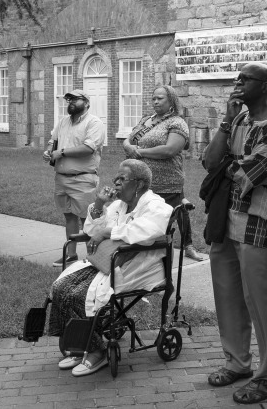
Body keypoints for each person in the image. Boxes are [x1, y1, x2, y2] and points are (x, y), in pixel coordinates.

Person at [203, 62, 267, 404]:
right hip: (226, 222)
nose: (237, 83)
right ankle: (237, 362)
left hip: (260, 225)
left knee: (260, 303)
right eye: (237, 78)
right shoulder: (240, 121)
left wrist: (226, 166)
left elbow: (250, 172)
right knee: (227, 297)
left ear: (266, 85)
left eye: (245, 79)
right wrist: (226, 124)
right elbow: (209, 161)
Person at [49, 159, 172, 376]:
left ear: (140, 184)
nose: (115, 182)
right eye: (116, 177)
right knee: (63, 287)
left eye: (122, 179)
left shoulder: (156, 205)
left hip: (137, 265)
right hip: (106, 261)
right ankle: (80, 346)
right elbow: (92, 230)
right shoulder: (118, 205)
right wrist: (98, 204)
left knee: (81, 294)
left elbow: (147, 231)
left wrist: (109, 233)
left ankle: (97, 351)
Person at [123, 85, 204, 261]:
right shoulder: (146, 119)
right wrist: (128, 146)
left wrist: (139, 152)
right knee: (144, 219)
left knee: (172, 217)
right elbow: (128, 139)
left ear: (171, 101)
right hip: (142, 182)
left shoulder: (177, 122)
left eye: (160, 98)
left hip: (167, 181)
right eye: (154, 98)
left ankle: (184, 247)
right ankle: (143, 255)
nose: (156, 101)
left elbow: (170, 150)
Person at [43, 89, 106, 267]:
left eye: (75, 99)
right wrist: (48, 151)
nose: (70, 102)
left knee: (87, 219)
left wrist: (61, 152)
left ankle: (92, 259)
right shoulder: (63, 121)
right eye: (68, 99)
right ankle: (71, 255)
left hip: (83, 179)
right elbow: (52, 139)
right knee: (69, 216)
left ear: (86, 102)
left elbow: (88, 148)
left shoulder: (94, 123)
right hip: (61, 178)